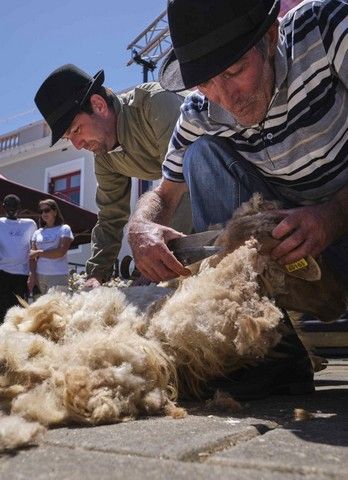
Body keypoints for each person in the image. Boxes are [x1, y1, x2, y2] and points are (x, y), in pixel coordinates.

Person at [128, 0, 348, 398]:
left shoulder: (327, 27)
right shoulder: (201, 111)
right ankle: (269, 351)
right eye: (207, 83)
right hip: (299, 254)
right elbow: (162, 195)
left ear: (270, 36)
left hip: (339, 218)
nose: (226, 97)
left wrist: (334, 213)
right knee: (202, 157)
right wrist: (141, 226)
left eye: (235, 71)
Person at [34, 64, 191, 288]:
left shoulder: (155, 104)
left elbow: (184, 182)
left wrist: (159, 264)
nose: (78, 146)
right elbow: (110, 217)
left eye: (77, 130)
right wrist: (96, 275)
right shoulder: (104, 157)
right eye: (70, 138)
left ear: (98, 105)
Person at [0, 194, 37, 322]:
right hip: (2, 274)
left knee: (19, 313)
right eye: (8, 206)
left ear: (20, 207)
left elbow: (34, 249)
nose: (11, 208)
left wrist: (33, 273)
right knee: (2, 312)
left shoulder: (30, 224)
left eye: (14, 206)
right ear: (3, 207)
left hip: (22, 275)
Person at [29, 199, 74, 295]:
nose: (44, 213)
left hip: (58, 276)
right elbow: (32, 257)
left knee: (57, 309)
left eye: (47, 210)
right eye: (41, 211)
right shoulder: (37, 232)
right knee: (40, 309)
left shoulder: (64, 229)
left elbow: (60, 252)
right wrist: (32, 275)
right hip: (39, 276)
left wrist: (39, 253)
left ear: (55, 212)